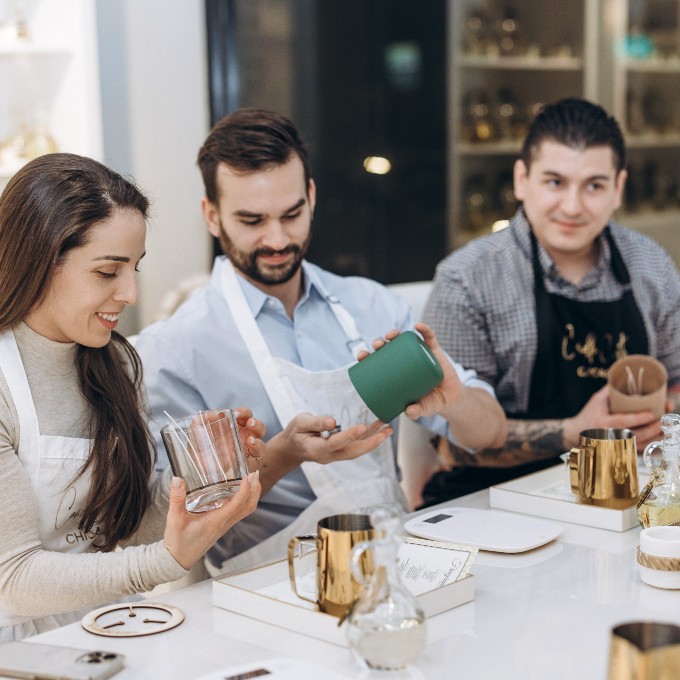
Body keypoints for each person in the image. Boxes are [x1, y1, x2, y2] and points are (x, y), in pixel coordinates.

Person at [135, 108, 507, 575]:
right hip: (266, 583)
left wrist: (454, 399)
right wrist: (284, 454)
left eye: (292, 214)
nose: (276, 239)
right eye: (252, 221)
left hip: (395, 559)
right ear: (211, 215)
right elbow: (174, 519)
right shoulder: (174, 350)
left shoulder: (373, 305)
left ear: (311, 196)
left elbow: (490, 432)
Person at [0, 153, 264, 641]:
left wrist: (200, 480)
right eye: (107, 272)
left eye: (135, 268)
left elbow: (127, 529)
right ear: (39, 260)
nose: (131, 294)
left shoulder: (117, 363)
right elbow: (13, 580)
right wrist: (164, 563)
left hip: (107, 627)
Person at [421, 97, 680, 504]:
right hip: (491, 502)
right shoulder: (467, 279)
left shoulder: (651, 265)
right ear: (522, 179)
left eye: (594, 186)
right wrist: (575, 431)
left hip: (626, 495)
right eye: (555, 182)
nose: (572, 207)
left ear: (618, 189)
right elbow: (449, 446)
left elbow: (677, 378)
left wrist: (662, 419)